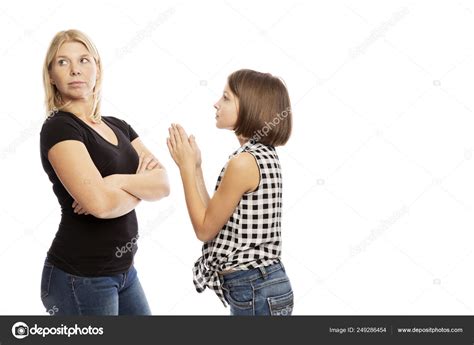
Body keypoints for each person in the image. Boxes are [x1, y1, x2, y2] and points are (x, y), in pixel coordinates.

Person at [39, 29, 169, 315]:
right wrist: (137, 186)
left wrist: (115, 181)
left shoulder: (119, 126)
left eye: (84, 60)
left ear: (97, 68)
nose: (75, 70)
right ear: (51, 75)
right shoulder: (60, 127)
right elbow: (99, 205)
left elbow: (162, 184)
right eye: (63, 62)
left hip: (125, 272)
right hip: (79, 277)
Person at [167, 69, 294, 315]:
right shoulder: (258, 155)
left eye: (225, 98)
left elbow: (204, 230)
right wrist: (196, 168)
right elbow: (215, 220)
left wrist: (184, 169)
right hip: (262, 284)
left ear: (250, 107)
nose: (216, 103)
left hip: (255, 286)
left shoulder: (243, 163)